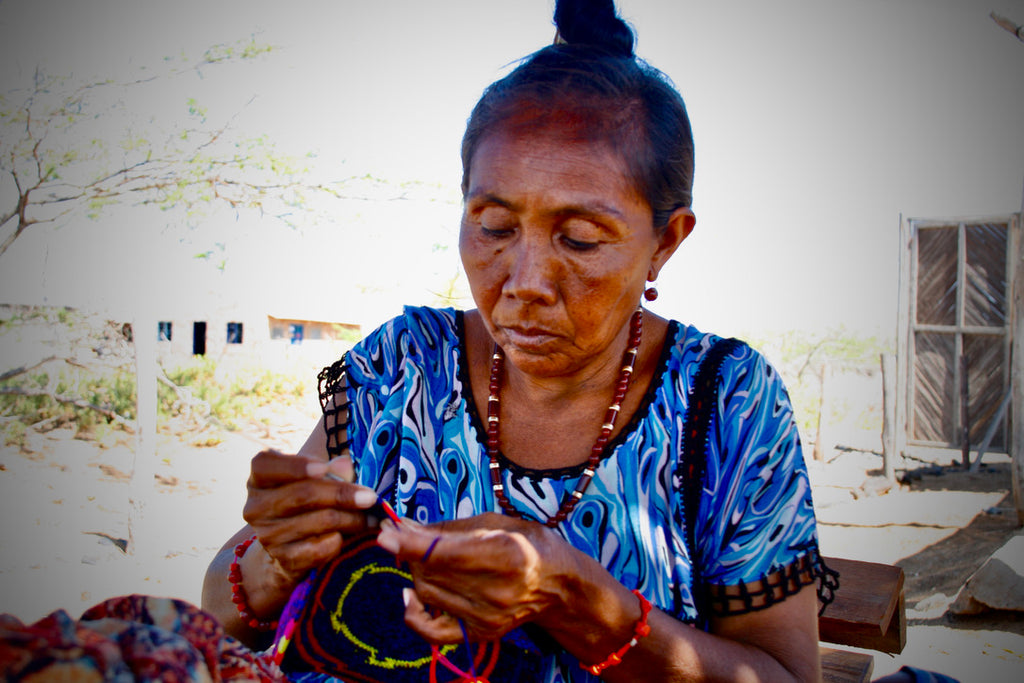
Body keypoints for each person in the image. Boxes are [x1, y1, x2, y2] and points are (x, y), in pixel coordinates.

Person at [201, 0, 832, 680]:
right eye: (496, 226)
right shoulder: (404, 366)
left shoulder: (727, 401)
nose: (525, 281)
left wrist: (577, 599)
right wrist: (281, 554)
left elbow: (786, 676)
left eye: (580, 238)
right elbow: (221, 605)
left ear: (666, 242)